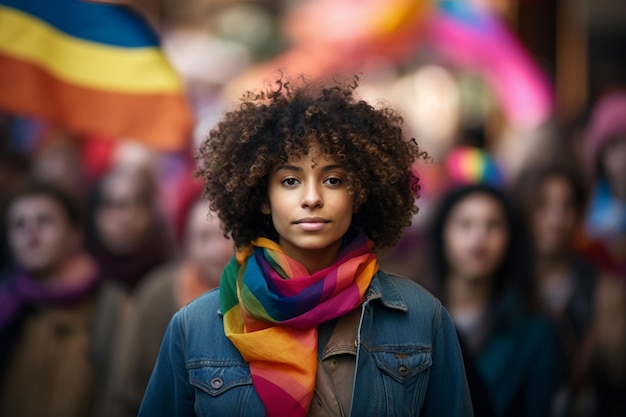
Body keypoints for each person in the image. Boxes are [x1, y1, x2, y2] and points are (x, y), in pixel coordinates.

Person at [138, 75, 474, 416]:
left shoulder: (420, 318)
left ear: (359, 193)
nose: (312, 198)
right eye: (290, 181)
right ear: (263, 197)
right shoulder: (195, 327)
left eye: (332, 180)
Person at [427, 183, 560, 417]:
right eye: (465, 224)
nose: (479, 238)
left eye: (493, 226)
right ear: (442, 234)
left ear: (511, 239)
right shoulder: (415, 317)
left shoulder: (536, 332)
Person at [0, 181, 129, 417]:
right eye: (19, 224)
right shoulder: (6, 307)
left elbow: (121, 396)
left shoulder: (110, 305)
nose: (31, 232)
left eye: (45, 220)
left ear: (74, 234)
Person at [106, 193, 234, 417]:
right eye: (204, 237)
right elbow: (127, 388)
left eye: (228, 234)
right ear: (185, 242)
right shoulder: (159, 293)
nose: (218, 250)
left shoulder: (261, 295)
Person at [514, 162, 598, 416]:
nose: (556, 218)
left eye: (568, 206)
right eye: (543, 206)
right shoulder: (503, 282)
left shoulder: (601, 288)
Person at [85, 164, 175, 292]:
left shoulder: (171, 278)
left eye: (138, 204)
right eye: (115, 205)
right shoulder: (79, 280)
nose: (128, 217)